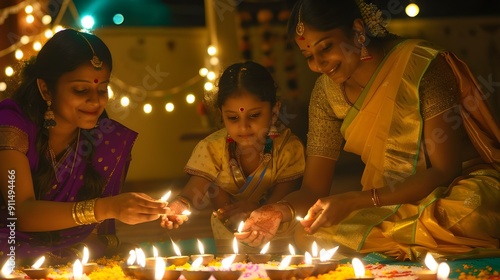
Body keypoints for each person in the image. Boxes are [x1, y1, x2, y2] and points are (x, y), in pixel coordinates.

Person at [235, 0, 500, 261]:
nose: (319, 64)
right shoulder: (326, 94)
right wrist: (281, 211)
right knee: (309, 232)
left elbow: (445, 170)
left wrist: (355, 201)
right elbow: (314, 188)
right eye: (308, 57)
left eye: (326, 47)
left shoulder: (422, 65)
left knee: (471, 213)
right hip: (389, 201)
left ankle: (398, 241)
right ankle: (410, 241)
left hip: (456, 188)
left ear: (358, 31)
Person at [0, 29, 167, 266]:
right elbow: (23, 213)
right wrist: (109, 207)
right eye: (81, 90)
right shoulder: (12, 124)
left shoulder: (106, 140)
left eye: (102, 89)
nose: (96, 101)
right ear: (46, 89)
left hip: (69, 246)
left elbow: (98, 234)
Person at [160, 61, 305, 254]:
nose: (243, 127)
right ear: (222, 114)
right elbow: (191, 194)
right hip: (229, 231)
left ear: (274, 111)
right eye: (233, 118)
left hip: (276, 229)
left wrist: (258, 209)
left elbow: (283, 200)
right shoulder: (212, 148)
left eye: (254, 115)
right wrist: (178, 207)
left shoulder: (288, 148)